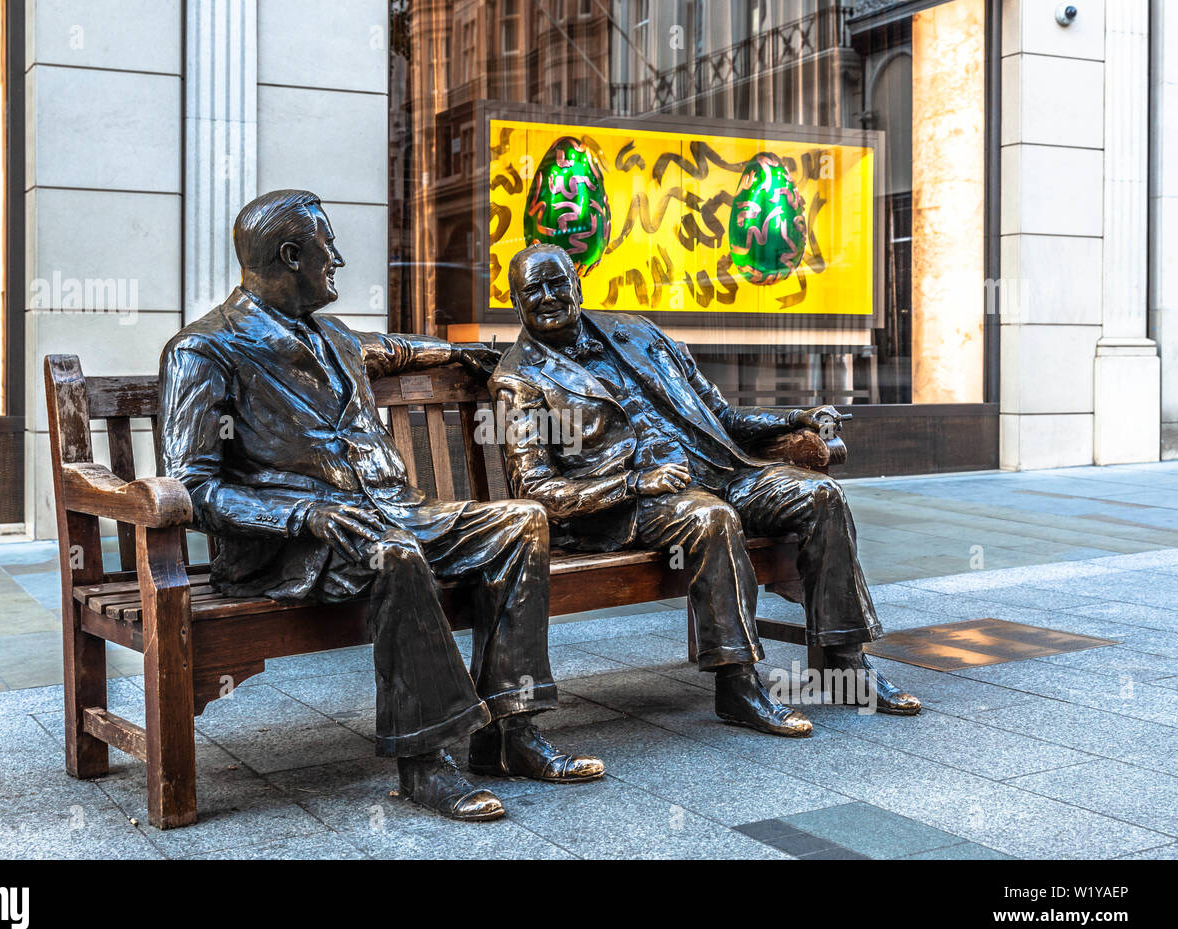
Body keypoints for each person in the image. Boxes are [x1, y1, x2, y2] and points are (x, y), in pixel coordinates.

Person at [158, 192, 604, 821]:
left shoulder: (332, 334)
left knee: (522, 521)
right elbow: (192, 486)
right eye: (326, 247)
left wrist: (459, 353)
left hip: (394, 508)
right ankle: (425, 762)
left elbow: (395, 349)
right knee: (394, 555)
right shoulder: (204, 350)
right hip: (293, 544)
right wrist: (301, 516)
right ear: (291, 255)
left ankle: (511, 733)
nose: (337, 258)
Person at [489, 243, 920, 738]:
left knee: (822, 496)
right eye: (532, 290)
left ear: (577, 284)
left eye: (556, 283)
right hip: (629, 506)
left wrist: (793, 419)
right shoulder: (517, 379)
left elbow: (723, 417)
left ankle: (844, 663)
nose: (547, 297)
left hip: (722, 471)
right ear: (516, 300)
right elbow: (536, 488)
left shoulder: (638, 331)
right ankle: (737, 685)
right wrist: (632, 483)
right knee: (710, 518)